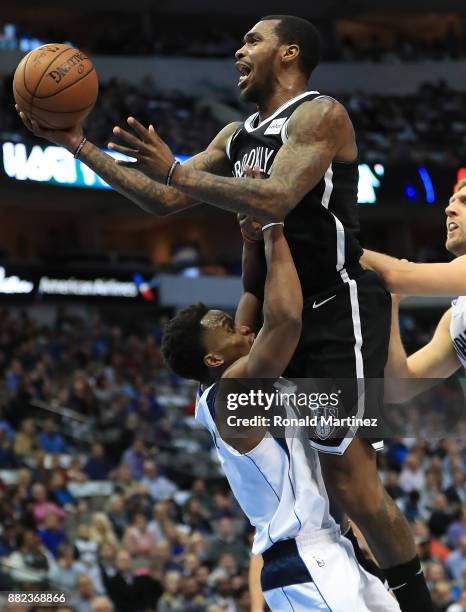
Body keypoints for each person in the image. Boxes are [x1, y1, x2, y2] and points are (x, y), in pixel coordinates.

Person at [16, 15, 431, 611]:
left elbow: (277, 195)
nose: (240, 50)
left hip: (336, 310)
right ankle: (344, 562)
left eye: (253, 40)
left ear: (289, 53)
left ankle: (415, 600)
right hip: (278, 303)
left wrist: (181, 173)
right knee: (306, 456)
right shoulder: (236, 135)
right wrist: (75, 144)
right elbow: (161, 198)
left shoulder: (320, 114)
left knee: (350, 479)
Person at [160, 214, 399, 610]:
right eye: (228, 328)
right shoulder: (231, 395)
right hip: (302, 559)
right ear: (214, 357)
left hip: (328, 549)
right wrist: (273, 226)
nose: (240, 327)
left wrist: (250, 230)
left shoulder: (232, 377)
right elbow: (285, 321)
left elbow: (252, 291)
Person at [362, 178, 466, 400]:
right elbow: (398, 388)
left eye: (464, 202)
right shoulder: (455, 319)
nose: (449, 209)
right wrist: (391, 302)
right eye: (451, 201)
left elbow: (395, 274)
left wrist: (331, 240)